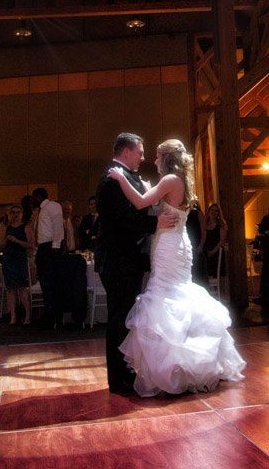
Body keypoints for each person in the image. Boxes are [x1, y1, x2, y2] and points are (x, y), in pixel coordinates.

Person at [107, 138, 245, 397]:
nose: (154, 161)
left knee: (167, 296)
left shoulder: (170, 180)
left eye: (158, 157)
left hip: (170, 245)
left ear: (167, 158)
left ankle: (176, 368)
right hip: (176, 242)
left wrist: (121, 178)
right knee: (176, 293)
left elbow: (139, 203)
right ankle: (183, 364)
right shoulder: (177, 179)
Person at [95, 132, 178, 396]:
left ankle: (124, 373)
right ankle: (119, 380)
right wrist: (156, 223)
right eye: (140, 152)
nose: (143, 157)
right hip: (119, 262)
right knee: (120, 320)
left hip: (125, 261)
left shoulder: (123, 176)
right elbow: (124, 220)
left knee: (125, 318)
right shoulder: (112, 179)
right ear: (126, 151)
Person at [34, 187, 64, 328]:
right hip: (44, 248)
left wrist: (56, 246)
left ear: (38, 196)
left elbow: (58, 226)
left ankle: (53, 316)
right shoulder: (41, 210)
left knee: (51, 283)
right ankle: (50, 315)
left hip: (50, 247)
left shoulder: (52, 206)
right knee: (46, 283)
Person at [0, 204, 34, 325]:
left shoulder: (26, 227)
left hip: (19, 259)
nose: (15, 215)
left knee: (21, 288)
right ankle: (13, 316)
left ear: (22, 214)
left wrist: (17, 241)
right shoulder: (6, 227)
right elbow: (0, 245)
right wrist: (6, 240)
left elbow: (31, 245)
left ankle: (28, 316)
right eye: (13, 212)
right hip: (8, 259)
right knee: (10, 289)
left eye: (18, 212)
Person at [201, 202, 228, 279]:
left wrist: (212, 252)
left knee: (217, 277)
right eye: (212, 210)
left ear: (219, 213)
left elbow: (222, 241)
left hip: (216, 252)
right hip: (206, 251)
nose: (213, 212)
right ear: (209, 211)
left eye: (216, 211)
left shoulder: (221, 223)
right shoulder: (204, 223)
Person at [185, 201, 206, 283]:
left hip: (197, 245)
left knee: (197, 271)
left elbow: (203, 232)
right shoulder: (185, 214)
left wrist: (201, 245)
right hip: (189, 244)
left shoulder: (198, 214)